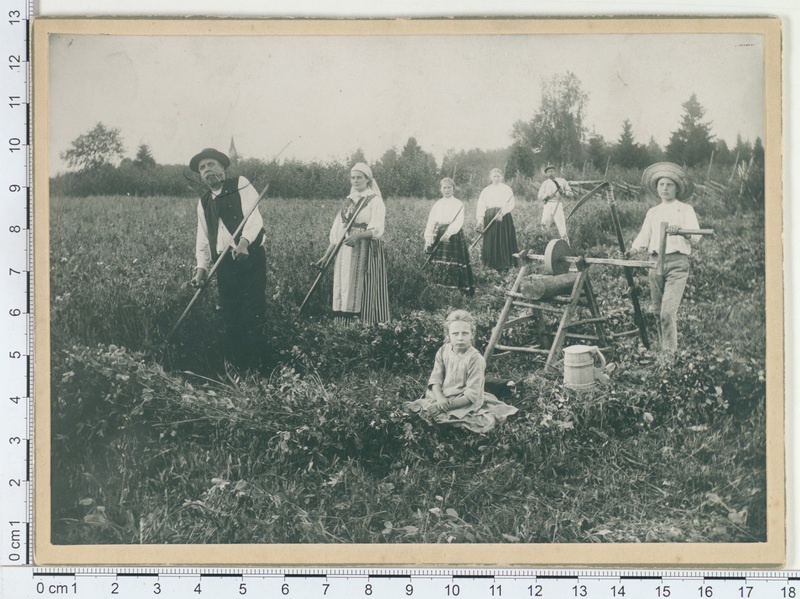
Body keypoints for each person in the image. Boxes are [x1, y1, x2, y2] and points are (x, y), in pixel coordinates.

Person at [189, 147, 268, 368]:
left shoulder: (240, 184)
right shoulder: (204, 202)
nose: (207, 170)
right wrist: (201, 270)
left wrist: (244, 243)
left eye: (211, 164)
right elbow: (203, 238)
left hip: (249, 257)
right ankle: (237, 367)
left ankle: (259, 366)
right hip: (223, 265)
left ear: (222, 167)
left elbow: (254, 218)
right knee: (230, 313)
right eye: (202, 168)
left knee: (253, 310)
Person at [628, 162, 702, 356]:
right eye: (661, 185)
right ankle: (663, 350)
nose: (665, 188)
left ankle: (669, 356)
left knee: (668, 312)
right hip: (654, 263)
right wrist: (633, 251)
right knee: (657, 311)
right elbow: (643, 237)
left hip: (677, 264)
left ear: (677, 188)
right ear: (657, 188)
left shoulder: (685, 209)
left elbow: (697, 236)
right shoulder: (653, 212)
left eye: (669, 185)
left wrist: (681, 231)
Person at [405, 310, 518, 433]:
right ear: (448, 335)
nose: (460, 338)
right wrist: (440, 399)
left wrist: (444, 406)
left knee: (472, 420)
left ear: (472, 334)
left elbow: (471, 395)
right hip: (443, 395)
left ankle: (447, 422)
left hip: (463, 400)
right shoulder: (443, 351)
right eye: (455, 334)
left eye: (465, 333)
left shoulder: (475, 359)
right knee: (420, 408)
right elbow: (435, 379)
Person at [314, 162, 390, 325]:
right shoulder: (349, 200)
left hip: (365, 247)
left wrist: (357, 237)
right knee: (344, 281)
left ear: (367, 179)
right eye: (352, 178)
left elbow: (377, 229)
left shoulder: (374, 200)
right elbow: (338, 231)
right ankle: (343, 322)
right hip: (345, 247)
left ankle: (362, 322)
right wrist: (326, 256)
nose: (355, 181)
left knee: (359, 282)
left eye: (359, 178)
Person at [423, 178, 475, 296]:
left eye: (449, 187)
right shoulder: (437, 204)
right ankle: (438, 290)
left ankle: (455, 291)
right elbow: (431, 222)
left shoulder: (458, 204)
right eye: (444, 188)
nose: (447, 190)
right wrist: (428, 239)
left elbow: (458, 221)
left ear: (453, 188)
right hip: (438, 234)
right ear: (440, 189)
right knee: (438, 263)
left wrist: (448, 233)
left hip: (453, 235)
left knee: (453, 262)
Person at [475, 168, 518, 270]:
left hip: (503, 216)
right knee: (492, 239)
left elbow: (510, 203)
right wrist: (480, 220)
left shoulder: (506, 189)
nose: (496, 178)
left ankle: (506, 263)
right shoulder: (486, 190)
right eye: (494, 176)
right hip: (490, 217)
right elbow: (481, 206)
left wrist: (502, 213)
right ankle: (491, 264)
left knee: (503, 239)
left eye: (498, 176)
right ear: (491, 177)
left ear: (502, 177)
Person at [537, 164, 573, 243]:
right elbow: (539, 196)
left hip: (557, 204)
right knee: (544, 226)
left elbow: (571, 194)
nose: (550, 173)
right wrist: (547, 195)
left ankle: (566, 245)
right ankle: (543, 244)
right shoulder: (545, 183)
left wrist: (563, 192)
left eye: (552, 171)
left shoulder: (562, 181)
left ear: (555, 172)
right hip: (547, 205)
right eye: (548, 172)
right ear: (546, 174)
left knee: (561, 226)